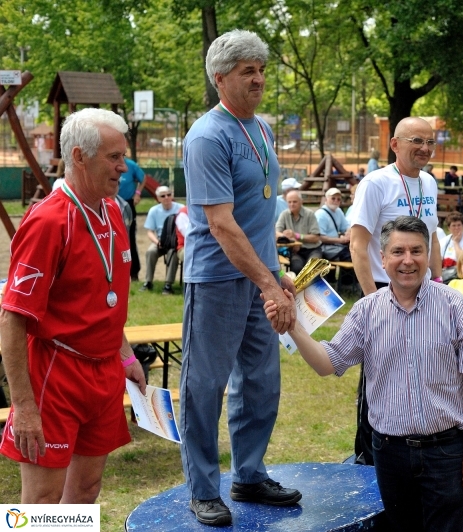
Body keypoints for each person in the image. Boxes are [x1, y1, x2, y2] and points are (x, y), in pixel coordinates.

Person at [267, 216, 463, 532]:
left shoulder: (456, 307)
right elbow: (327, 363)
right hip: (389, 453)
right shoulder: (367, 311)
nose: (408, 260)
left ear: (428, 256)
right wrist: (295, 328)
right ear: (382, 259)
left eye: (417, 251)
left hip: (445, 451)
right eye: (398, 251)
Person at [180, 29, 301, 526]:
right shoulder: (207, 136)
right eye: (247, 71)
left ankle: (249, 474)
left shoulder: (263, 128)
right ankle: (204, 487)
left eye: (261, 69)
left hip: (259, 276)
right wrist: (267, 284)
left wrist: (276, 274)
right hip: (216, 278)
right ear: (220, 78)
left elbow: (259, 212)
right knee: (204, 385)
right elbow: (222, 224)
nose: (258, 78)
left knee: (261, 382)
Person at [0, 108, 147, 503]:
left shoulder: (112, 209)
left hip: (103, 374)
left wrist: (125, 354)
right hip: (56, 375)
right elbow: (11, 319)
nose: (124, 167)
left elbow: (105, 298)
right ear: (79, 157)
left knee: (86, 489)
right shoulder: (48, 221)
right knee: (43, 504)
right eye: (114, 157)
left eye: (124, 156)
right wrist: (24, 406)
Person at [348, 116, 442, 466]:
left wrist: (438, 283)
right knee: (381, 372)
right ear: (395, 144)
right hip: (385, 289)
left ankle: (414, 444)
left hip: (424, 291)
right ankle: (369, 454)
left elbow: (431, 236)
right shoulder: (376, 184)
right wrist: (374, 299)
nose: (425, 149)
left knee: (421, 368)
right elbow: (358, 245)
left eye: (431, 142)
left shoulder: (430, 184)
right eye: (416, 141)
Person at [142, 185, 183, 294]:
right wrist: (157, 242)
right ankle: (148, 282)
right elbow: (150, 231)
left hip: (176, 241)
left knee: (173, 253)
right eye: (163, 196)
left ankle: (168, 285)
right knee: (150, 251)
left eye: (169, 195)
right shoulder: (154, 210)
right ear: (158, 198)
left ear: (172, 196)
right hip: (160, 239)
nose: (166, 197)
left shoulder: (180, 208)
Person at [276, 190, 323, 274]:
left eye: (295, 202)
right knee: (297, 267)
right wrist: (292, 240)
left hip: (313, 249)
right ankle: (298, 287)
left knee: (313, 268)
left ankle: (313, 287)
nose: (292, 204)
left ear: (301, 202)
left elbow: (316, 237)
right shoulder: (284, 214)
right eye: (289, 202)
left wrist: (296, 236)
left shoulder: (310, 214)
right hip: (295, 251)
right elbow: (276, 232)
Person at [118, 153, 146, 281]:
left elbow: (143, 178)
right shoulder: (106, 161)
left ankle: (134, 272)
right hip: (110, 201)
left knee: (129, 237)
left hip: (127, 203)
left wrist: (138, 193)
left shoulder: (131, 165)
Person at [315, 187, 351, 261]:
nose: (336, 201)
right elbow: (320, 238)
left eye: (338, 199)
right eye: (333, 198)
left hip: (337, 245)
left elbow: (346, 226)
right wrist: (341, 240)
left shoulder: (338, 211)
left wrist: (348, 233)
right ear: (326, 199)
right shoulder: (320, 214)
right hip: (325, 247)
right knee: (351, 257)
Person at [440, 211, 463, 282]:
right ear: (449, 228)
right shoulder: (444, 240)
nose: (457, 228)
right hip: (445, 273)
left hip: (460, 273)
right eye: (453, 225)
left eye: (459, 225)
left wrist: (456, 243)